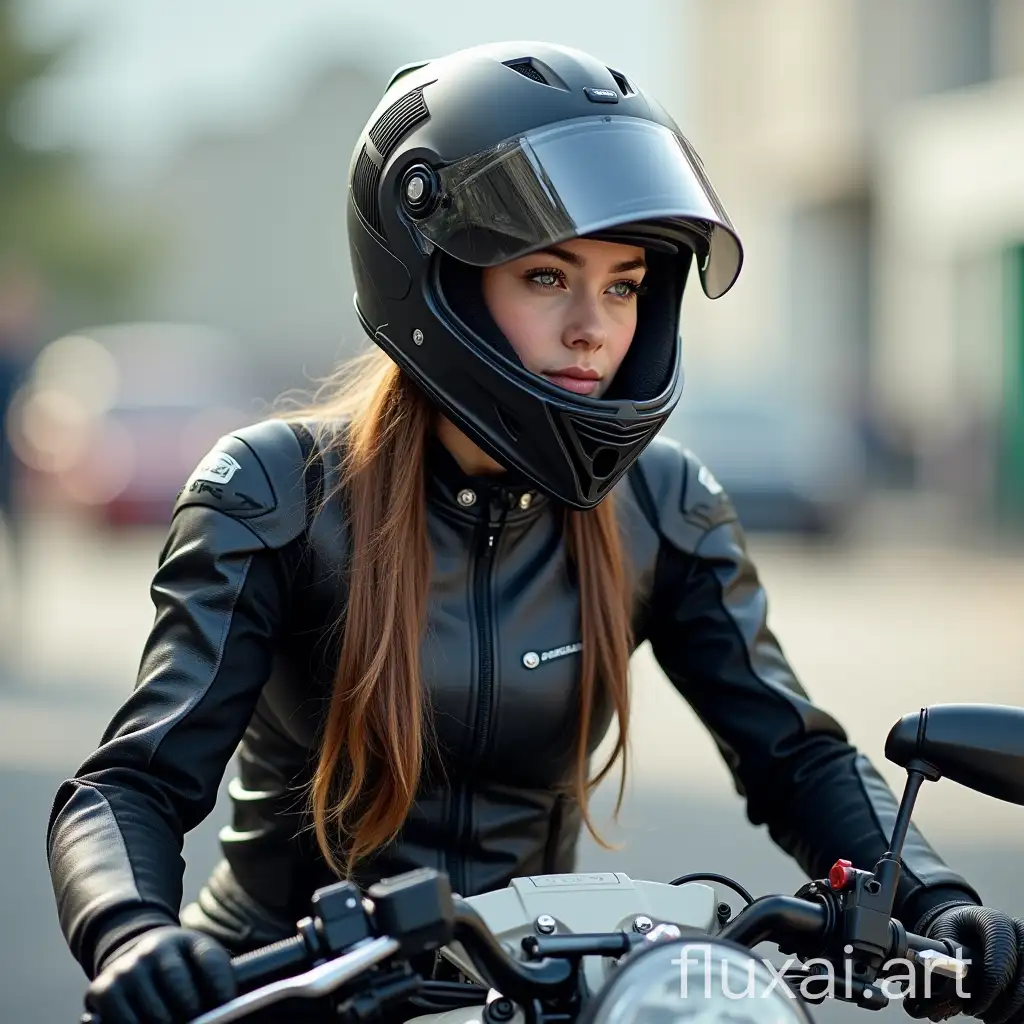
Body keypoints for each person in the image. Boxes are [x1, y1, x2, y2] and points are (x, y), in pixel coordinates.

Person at [47, 41, 1023, 1024]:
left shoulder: (661, 505)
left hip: (542, 994)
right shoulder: (279, 492)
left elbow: (793, 755)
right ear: (439, 278)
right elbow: (133, 780)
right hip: (284, 991)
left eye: (624, 283)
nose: (595, 328)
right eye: (547, 277)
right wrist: (134, 931)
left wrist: (937, 905)